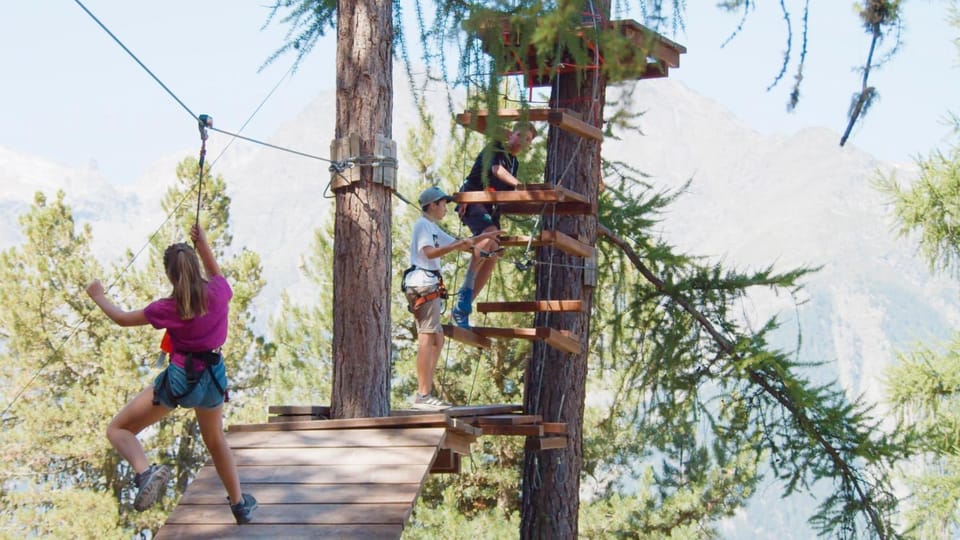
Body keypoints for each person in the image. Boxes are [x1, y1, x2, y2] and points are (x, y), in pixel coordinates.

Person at [85, 224, 257, 524]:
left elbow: (122, 318)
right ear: (194, 266)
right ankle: (239, 505)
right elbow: (215, 273)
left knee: (118, 430)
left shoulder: (168, 308)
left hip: (181, 381)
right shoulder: (219, 292)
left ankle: (145, 473)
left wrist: (98, 295)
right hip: (213, 379)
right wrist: (203, 244)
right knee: (215, 439)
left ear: (170, 275)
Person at [403, 186, 502, 410]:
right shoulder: (423, 225)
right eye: (443, 204)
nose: (446, 209)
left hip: (427, 284)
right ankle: (422, 395)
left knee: (437, 339)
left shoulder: (432, 227)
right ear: (432, 205)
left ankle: (425, 393)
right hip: (423, 284)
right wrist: (460, 244)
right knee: (427, 337)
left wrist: (487, 239)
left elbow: (462, 242)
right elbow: (429, 252)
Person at [452, 122, 537, 328]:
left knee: (496, 251)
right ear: (511, 135)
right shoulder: (496, 148)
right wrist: (520, 185)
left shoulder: (514, 162)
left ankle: (463, 307)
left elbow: (507, 189)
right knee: (489, 234)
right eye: (520, 135)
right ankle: (465, 290)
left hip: (490, 207)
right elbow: (496, 170)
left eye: (528, 140)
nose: (522, 141)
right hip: (473, 199)